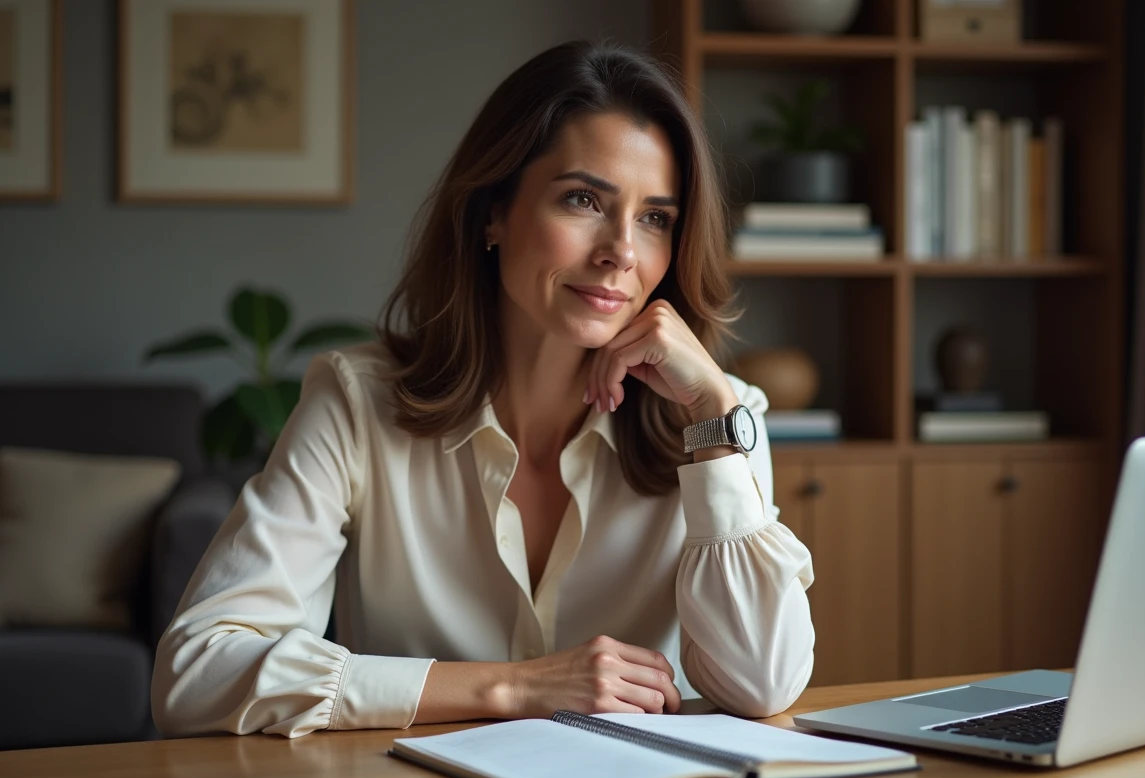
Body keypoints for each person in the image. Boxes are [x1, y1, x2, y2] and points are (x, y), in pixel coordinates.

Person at [151, 40, 815, 738]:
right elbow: (196, 673)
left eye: (655, 218)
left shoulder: (720, 419)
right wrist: (515, 687)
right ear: (493, 211)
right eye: (583, 200)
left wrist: (714, 416)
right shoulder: (357, 402)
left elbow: (760, 685)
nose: (621, 251)